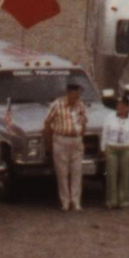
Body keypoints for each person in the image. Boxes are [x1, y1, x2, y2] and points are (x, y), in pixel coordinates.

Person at [44, 83, 88, 212]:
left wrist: (81, 135)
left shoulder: (80, 105)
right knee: (62, 173)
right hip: (61, 140)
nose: (76, 97)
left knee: (77, 171)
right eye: (74, 95)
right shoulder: (57, 105)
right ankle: (65, 202)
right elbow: (47, 122)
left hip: (76, 140)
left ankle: (76, 202)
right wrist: (50, 142)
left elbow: (84, 121)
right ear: (68, 93)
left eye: (78, 95)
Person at [101, 95, 129, 210]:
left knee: (125, 175)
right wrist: (103, 148)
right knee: (111, 175)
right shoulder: (109, 117)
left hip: (127, 148)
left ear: (127, 107)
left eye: (122, 105)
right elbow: (105, 133)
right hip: (111, 148)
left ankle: (124, 201)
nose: (120, 107)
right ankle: (111, 201)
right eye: (118, 105)